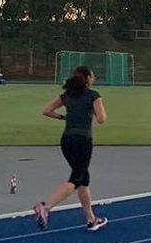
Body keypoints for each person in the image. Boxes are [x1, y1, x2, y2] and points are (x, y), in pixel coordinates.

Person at [34, 66, 108, 232]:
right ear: (88, 78)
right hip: (83, 141)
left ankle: (91, 219)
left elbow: (46, 111)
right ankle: (45, 208)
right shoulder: (93, 95)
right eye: (93, 76)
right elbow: (102, 119)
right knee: (76, 179)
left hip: (66, 140)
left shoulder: (67, 96)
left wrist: (63, 117)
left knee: (83, 179)